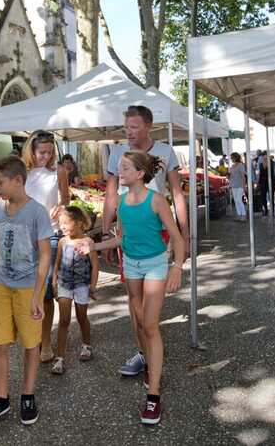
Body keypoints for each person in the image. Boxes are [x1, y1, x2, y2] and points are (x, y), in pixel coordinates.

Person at [78, 152, 185, 425]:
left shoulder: (156, 200)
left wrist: (176, 267)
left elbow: (176, 236)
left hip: (156, 264)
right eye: (119, 167)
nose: (119, 171)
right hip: (133, 265)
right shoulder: (121, 203)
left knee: (150, 325)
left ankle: (154, 396)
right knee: (138, 322)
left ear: (139, 174)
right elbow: (122, 239)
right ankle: (150, 366)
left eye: (124, 168)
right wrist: (94, 246)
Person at [102, 105, 188, 380]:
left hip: (158, 230)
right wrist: (106, 233)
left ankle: (152, 347)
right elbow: (111, 195)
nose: (128, 131)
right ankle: (142, 352)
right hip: (128, 233)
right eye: (126, 126)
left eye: (134, 127)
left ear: (149, 126)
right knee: (133, 299)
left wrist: (184, 234)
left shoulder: (165, 151)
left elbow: (177, 193)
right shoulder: (116, 153)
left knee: (151, 303)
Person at [0, 156, 53, 426]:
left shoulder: (37, 212)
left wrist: (38, 294)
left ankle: (27, 396)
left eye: (0, 182)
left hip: (28, 289)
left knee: (31, 344)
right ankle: (1, 399)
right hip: (2, 285)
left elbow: (45, 256)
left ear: (18, 180)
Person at [21, 130, 70, 364]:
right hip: (24, 237)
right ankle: (32, 337)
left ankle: (46, 342)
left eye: (50, 152)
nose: (47, 157)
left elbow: (66, 199)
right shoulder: (21, 172)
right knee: (27, 291)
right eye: (42, 152)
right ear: (32, 150)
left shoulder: (58, 171)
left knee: (47, 292)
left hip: (50, 235)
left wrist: (60, 208)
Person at [50, 206, 98, 375]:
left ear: (78, 224)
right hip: (64, 284)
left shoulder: (88, 242)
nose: (61, 226)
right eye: (60, 223)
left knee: (81, 316)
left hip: (81, 285)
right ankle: (60, 358)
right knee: (63, 320)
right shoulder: (62, 241)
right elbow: (57, 262)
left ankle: (86, 345)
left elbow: (95, 266)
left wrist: (93, 286)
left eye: (65, 223)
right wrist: (54, 280)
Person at [229, 152, 247, 221]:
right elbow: (232, 176)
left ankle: (243, 215)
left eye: (232, 157)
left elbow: (243, 176)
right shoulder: (233, 166)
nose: (231, 159)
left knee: (239, 200)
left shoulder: (240, 165)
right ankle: (239, 215)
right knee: (236, 201)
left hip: (240, 185)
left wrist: (244, 185)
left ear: (235, 157)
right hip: (233, 185)